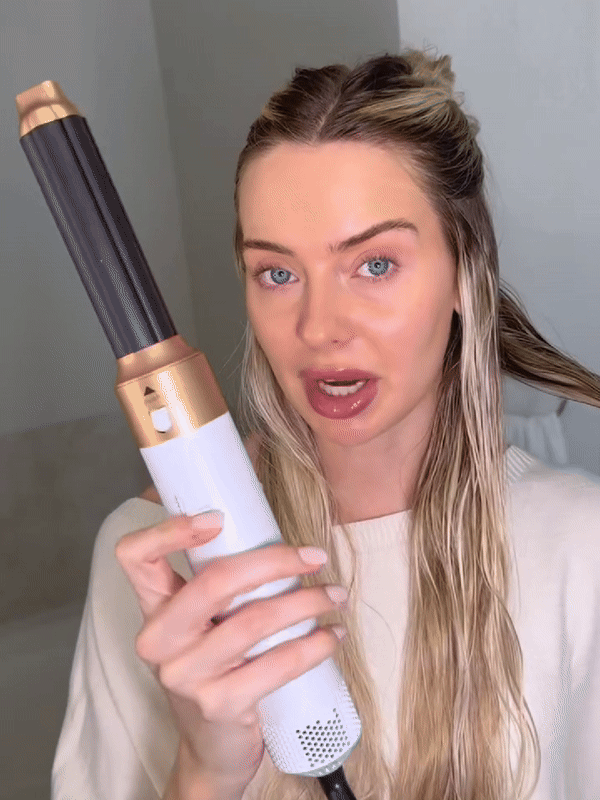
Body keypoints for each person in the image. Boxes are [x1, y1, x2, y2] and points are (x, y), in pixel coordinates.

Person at [51, 48, 600, 800]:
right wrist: (205, 769)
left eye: (374, 265)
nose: (318, 328)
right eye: (278, 273)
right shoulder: (152, 566)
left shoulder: (580, 546)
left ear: (465, 274)